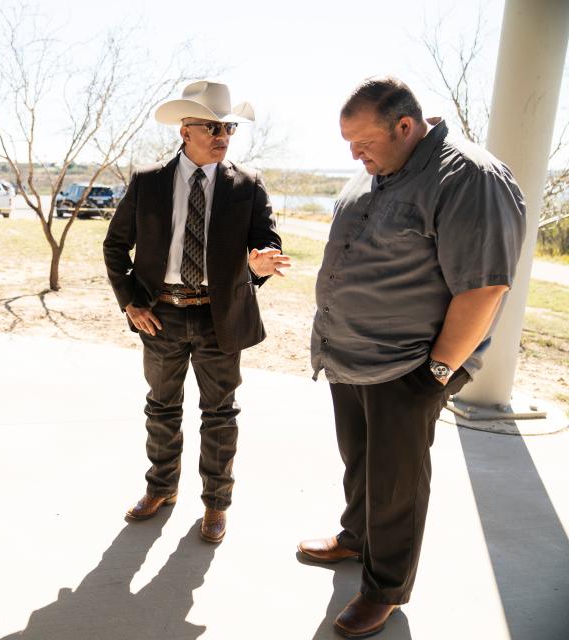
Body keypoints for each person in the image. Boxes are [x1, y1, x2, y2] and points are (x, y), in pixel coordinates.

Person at [299, 76, 526, 638]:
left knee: (396, 479)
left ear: (405, 126)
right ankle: (357, 537)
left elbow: (484, 289)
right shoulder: (380, 168)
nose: (354, 155)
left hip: (409, 365)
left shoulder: (468, 176)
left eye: (362, 143)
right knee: (361, 459)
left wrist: (438, 372)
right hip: (349, 355)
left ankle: (386, 588)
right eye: (350, 144)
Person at [103, 81, 290, 543]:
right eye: (212, 127)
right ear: (185, 131)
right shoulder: (148, 182)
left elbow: (266, 243)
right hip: (160, 316)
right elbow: (115, 246)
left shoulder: (246, 185)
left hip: (218, 318)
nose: (223, 135)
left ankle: (215, 504)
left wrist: (262, 261)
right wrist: (131, 301)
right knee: (161, 408)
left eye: (228, 127)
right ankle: (161, 489)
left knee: (220, 414)